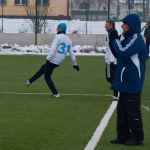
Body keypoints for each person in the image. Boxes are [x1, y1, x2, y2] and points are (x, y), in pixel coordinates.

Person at [107, 14, 147, 145]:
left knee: (132, 111)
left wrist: (115, 40)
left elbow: (122, 52)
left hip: (132, 81)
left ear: (132, 26)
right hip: (124, 80)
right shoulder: (128, 37)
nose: (122, 26)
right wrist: (113, 39)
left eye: (125, 24)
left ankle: (137, 137)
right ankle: (123, 136)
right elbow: (117, 53)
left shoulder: (136, 39)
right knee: (122, 111)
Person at [26, 23, 79, 98]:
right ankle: (30, 81)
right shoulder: (68, 40)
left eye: (57, 28)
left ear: (60, 29)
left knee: (47, 76)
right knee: (43, 68)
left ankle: (56, 93)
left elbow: (53, 49)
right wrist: (75, 64)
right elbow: (72, 54)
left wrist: (48, 58)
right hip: (59, 61)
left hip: (53, 60)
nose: (56, 29)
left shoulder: (58, 37)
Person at [104, 20, 118, 101]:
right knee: (113, 78)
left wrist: (112, 60)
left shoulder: (112, 34)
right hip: (112, 60)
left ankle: (118, 91)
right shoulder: (111, 33)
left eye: (106, 25)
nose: (105, 26)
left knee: (109, 78)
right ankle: (116, 94)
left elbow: (114, 47)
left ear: (111, 25)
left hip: (111, 61)